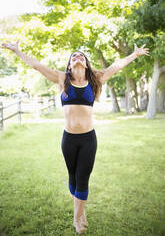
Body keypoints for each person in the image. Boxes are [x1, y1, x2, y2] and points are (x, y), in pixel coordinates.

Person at [1, 41, 149, 234]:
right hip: (69, 140)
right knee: (72, 179)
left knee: (82, 178)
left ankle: (77, 219)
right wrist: (18, 51)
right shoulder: (62, 79)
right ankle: (81, 209)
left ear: (86, 64)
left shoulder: (95, 78)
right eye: (74, 56)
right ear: (70, 65)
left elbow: (116, 66)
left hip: (88, 139)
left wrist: (134, 55)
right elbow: (36, 66)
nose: (77, 57)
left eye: (81, 56)